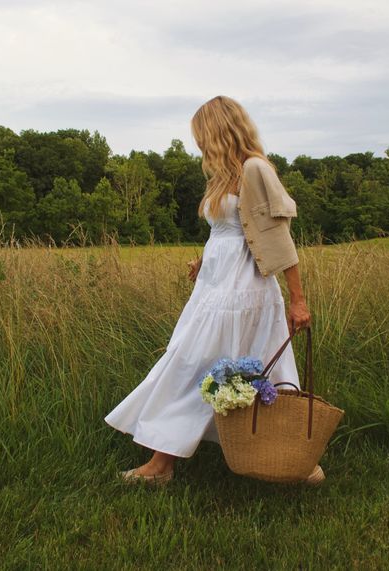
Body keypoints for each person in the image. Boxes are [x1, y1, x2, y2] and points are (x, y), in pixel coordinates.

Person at [104, 95, 313, 485]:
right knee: (214, 363)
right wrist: (204, 261)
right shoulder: (222, 177)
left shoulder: (255, 168)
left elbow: (279, 238)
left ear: (219, 131)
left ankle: (163, 464)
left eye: (202, 135)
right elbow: (226, 231)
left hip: (244, 290)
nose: (199, 144)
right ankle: (292, 461)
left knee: (203, 364)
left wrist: (298, 301)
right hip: (214, 286)